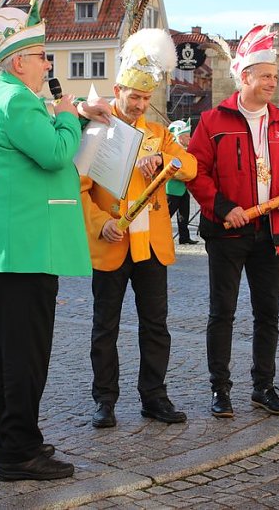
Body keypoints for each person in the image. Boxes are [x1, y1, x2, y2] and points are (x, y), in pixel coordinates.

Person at [0, 0, 108, 481]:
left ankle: (6, 440)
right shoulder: (17, 98)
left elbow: (34, 139)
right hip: (24, 247)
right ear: (19, 60)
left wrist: (72, 110)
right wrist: (67, 113)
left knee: (1, 351)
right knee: (25, 354)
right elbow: (58, 151)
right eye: (43, 56)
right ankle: (19, 451)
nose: (48, 64)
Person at [187, 24, 279, 419]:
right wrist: (223, 207)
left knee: (267, 312)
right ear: (245, 77)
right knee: (222, 311)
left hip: (269, 230)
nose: (273, 82)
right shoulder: (212, 121)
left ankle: (263, 386)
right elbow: (196, 172)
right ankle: (220, 389)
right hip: (226, 232)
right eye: (266, 76)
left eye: (276, 76)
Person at [81, 29, 197, 430]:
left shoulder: (158, 134)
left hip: (151, 244)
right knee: (105, 328)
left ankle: (154, 397)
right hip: (113, 240)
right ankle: (105, 401)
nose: (140, 105)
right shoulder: (97, 128)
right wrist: (101, 224)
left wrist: (164, 159)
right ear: (117, 89)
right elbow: (79, 190)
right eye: (134, 96)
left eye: (146, 98)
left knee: (156, 326)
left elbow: (191, 166)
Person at [165, 120, 197, 245]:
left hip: (183, 188)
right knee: (166, 216)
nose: (189, 138)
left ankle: (184, 237)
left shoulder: (185, 150)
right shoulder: (172, 149)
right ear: (178, 137)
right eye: (186, 135)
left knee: (183, 215)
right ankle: (162, 238)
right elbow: (170, 170)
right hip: (172, 189)